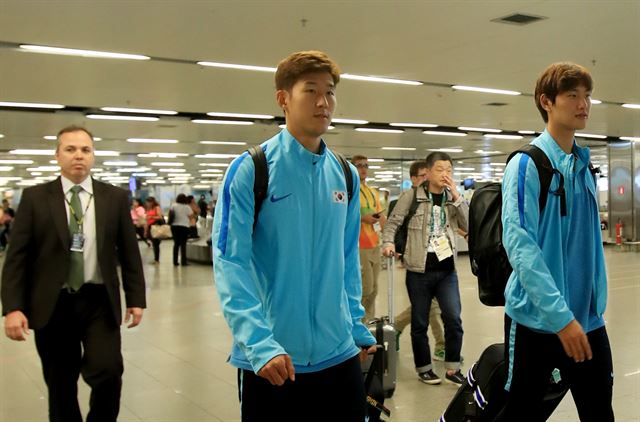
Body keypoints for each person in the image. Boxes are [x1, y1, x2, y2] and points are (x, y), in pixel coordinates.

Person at [212, 50, 376, 422]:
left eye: (331, 91)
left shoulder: (346, 176)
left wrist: (355, 325)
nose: (324, 102)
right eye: (311, 90)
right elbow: (229, 263)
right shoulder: (251, 170)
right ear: (283, 98)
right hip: (275, 359)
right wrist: (259, 344)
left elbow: (346, 260)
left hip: (340, 353)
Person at [1, 125, 146, 422]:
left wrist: (136, 298)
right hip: (52, 304)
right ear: (57, 156)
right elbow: (17, 258)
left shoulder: (114, 198)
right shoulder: (35, 198)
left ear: (93, 156)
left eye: (85, 150)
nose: (78, 156)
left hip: (99, 301)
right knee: (61, 384)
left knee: (108, 372)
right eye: (70, 149)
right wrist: (13, 308)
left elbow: (130, 252)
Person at [495, 62, 613, 421]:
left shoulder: (583, 165)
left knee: (598, 411)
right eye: (572, 95)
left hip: (587, 320)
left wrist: (587, 307)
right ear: (546, 102)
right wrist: (561, 319)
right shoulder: (527, 165)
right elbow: (520, 246)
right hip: (537, 322)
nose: (584, 104)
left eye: (587, 96)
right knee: (522, 413)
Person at [382, 151, 468, 386]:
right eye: (440, 170)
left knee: (454, 319)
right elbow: (392, 224)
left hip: (447, 270)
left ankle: (452, 368)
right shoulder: (411, 197)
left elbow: (469, 224)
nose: (445, 175)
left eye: (449, 170)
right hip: (419, 270)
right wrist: (388, 242)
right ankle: (424, 368)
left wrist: (458, 197)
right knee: (419, 322)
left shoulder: (452, 199)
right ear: (428, 172)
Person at [393, 161, 447, 362]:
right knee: (430, 305)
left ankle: (397, 326)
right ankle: (441, 344)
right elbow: (396, 227)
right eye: (423, 175)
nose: (427, 179)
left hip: (438, 259)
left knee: (426, 305)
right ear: (414, 179)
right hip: (416, 260)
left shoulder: (434, 198)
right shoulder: (406, 201)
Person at [352, 154, 386, 321]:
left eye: (366, 165)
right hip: (360, 245)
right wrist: (362, 218)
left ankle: (369, 323)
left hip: (375, 244)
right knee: (366, 288)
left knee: (374, 289)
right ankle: (358, 322)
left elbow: (381, 215)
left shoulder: (372, 192)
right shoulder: (349, 190)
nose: (363, 169)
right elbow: (343, 215)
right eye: (359, 165)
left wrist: (388, 239)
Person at [169, 193, 193, 266]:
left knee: (176, 244)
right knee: (183, 244)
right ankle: (183, 262)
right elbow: (191, 216)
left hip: (174, 226)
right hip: (184, 226)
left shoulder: (173, 206)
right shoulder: (187, 207)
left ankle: (175, 262)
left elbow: (170, 214)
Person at [144, 196, 163, 264]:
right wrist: (145, 231)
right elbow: (146, 221)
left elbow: (160, 216)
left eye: (148, 202)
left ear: (152, 202)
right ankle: (155, 259)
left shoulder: (156, 208)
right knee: (154, 244)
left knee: (156, 243)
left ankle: (156, 259)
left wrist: (151, 216)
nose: (147, 204)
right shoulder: (148, 209)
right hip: (150, 227)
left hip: (155, 227)